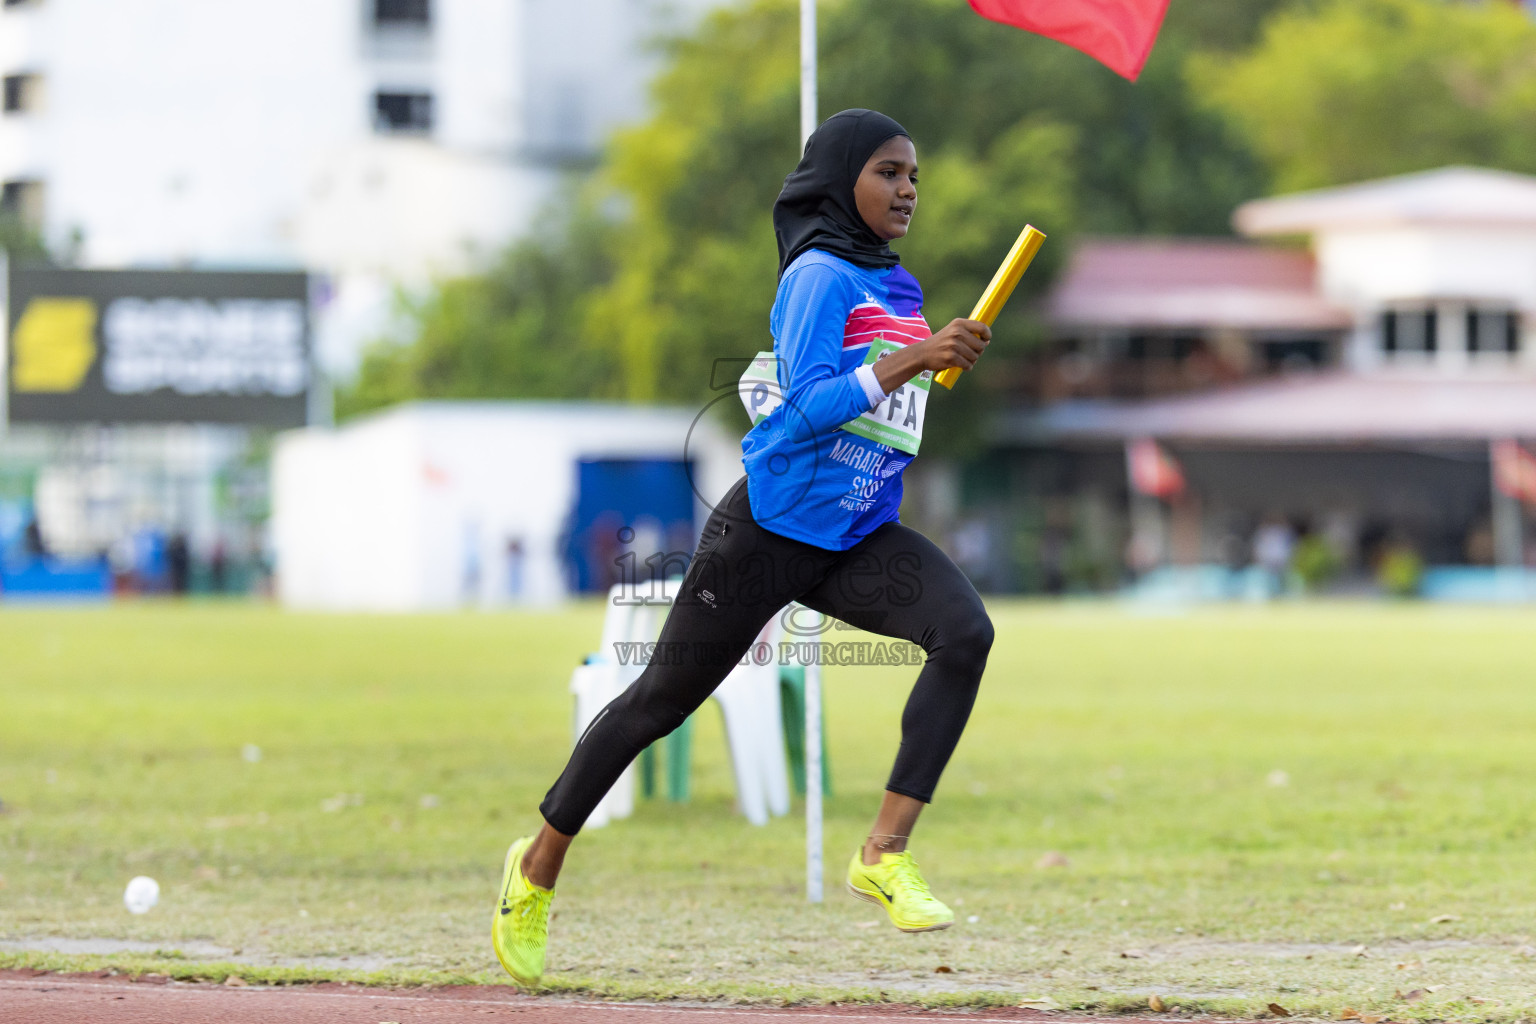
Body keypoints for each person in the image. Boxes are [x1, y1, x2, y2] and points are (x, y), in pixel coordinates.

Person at [492, 109, 997, 987]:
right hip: (766, 532)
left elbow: (881, 409)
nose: (908, 189)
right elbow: (792, 418)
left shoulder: (899, 286)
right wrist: (910, 363)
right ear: (843, 179)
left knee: (966, 634)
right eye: (889, 172)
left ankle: (884, 853)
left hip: (858, 533)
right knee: (657, 704)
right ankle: (534, 871)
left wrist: (930, 362)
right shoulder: (818, 277)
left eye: (915, 175)